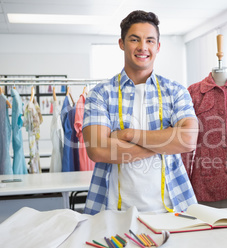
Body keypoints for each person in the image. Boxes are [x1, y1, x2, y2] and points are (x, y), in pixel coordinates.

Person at [83, 10, 199, 215]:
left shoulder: (175, 91)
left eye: (150, 41)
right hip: (113, 211)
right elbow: (98, 150)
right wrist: (167, 143)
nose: (142, 47)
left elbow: (188, 140)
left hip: (172, 209)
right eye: (134, 39)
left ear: (158, 46)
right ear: (121, 43)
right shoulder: (100, 94)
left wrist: (127, 135)